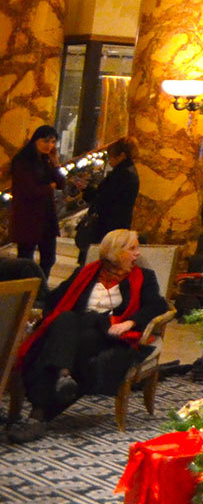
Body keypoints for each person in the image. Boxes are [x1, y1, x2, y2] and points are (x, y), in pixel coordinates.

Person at [14, 229, 166, 437]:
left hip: (109, 335)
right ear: (115, 252)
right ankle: (59, 383)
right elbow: (54, 300)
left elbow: (156, 306)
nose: (137, 254)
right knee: (65, 320)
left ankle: (39, 413)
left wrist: (130, 322)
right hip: (75, 332)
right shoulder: (84, 274)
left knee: (56, 342)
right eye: (132, 248)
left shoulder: (144, 277)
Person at [8, 125, 64, 276]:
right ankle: (24, 292)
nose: (49, 145)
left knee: (49, 258)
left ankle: (40, 290)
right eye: (46, 141)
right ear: (35, 140)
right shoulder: (23, 161)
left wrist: (56, 163)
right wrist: (49, 187)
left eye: (53, 142)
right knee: (25, 260)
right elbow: (28, 190)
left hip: (46, 217)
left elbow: (61, 183)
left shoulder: (46, 160)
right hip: (28, 217)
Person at [77, 139, 139, 252]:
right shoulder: (127, 172)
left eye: (111, 157)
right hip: (116, 224)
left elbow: (104, 199)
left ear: (121, 156)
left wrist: (88, 191)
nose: (109, 161)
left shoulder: (122, 175)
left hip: (108, 226)